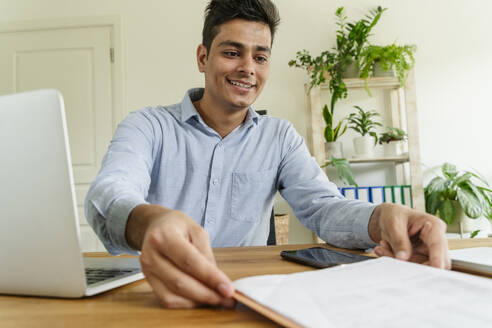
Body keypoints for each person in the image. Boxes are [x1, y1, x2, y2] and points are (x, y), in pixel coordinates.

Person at [85, 0, 450, 309]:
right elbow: (109, 193)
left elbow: (324, 208)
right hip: (152, 295)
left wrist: (382, 217)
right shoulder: (148, 125)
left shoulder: (280, 137)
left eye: (260, 57)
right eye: (232, 52)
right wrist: (149, 222)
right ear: (202, 57)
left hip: (244, 297)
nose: (248, 68)